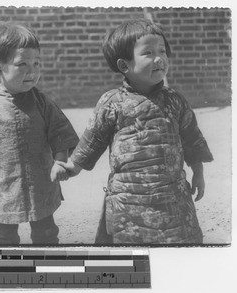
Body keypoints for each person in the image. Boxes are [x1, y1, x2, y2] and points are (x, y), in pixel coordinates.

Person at [52, 19, 213, 245]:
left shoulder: (175, 101)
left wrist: (199, 171)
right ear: (124, 66)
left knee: (178, 245)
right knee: (129, 247)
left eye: (162, 51)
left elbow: (192, 138)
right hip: (129, 199)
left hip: (171, 196)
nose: (159, 58)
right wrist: (72, 167)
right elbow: (93, 140)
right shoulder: (113, 103)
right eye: (148, 52)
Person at [0, 22, 79, 245]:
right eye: (22, 64)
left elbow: (59, 133)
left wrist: (60, 162)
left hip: (41, 181)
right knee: (2, 234)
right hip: (3, 184)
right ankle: (8, 267)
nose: (32, 71)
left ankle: (47, 266)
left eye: (36, 63)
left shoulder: (42, 102)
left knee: (46, 232)